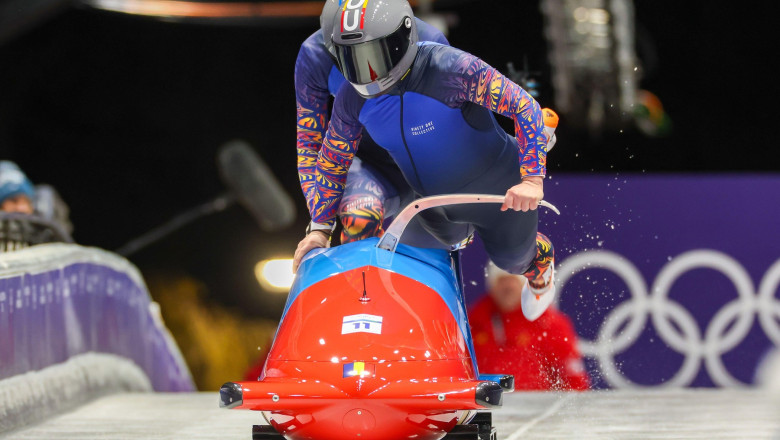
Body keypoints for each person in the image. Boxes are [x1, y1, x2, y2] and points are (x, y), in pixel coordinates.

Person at [294, 0, 557, 320]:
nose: (366, 74)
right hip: (431, 199)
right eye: (354, 60)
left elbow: (524, 105)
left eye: (374, 57)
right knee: (449, 239)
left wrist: (531, 178)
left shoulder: (449, 66)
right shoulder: (351, 97)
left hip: (497, 190)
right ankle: (369, 316)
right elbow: (332, 159)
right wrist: (320, 228)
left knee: (513, 260)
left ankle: (540, 272)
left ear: (402, 39)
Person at [295, 0, 449, 244]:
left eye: (375, 51)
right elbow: (310, 143)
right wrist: (320, 226)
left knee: (454, 229)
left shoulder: (431, 45)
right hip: (368, 166)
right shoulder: (315, 55)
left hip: (425, 162)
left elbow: (454, 127)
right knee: (361, 218)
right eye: (349, 55)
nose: (367, 72)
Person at [469, 260, 590, 391]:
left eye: (513, 280)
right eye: (501, 280)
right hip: (487, 406)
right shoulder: (472, 324)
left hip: (538, 409)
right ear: (492, 285)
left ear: (525, 285)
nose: (508, 287)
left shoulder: (549, 324)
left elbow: (573, 379)